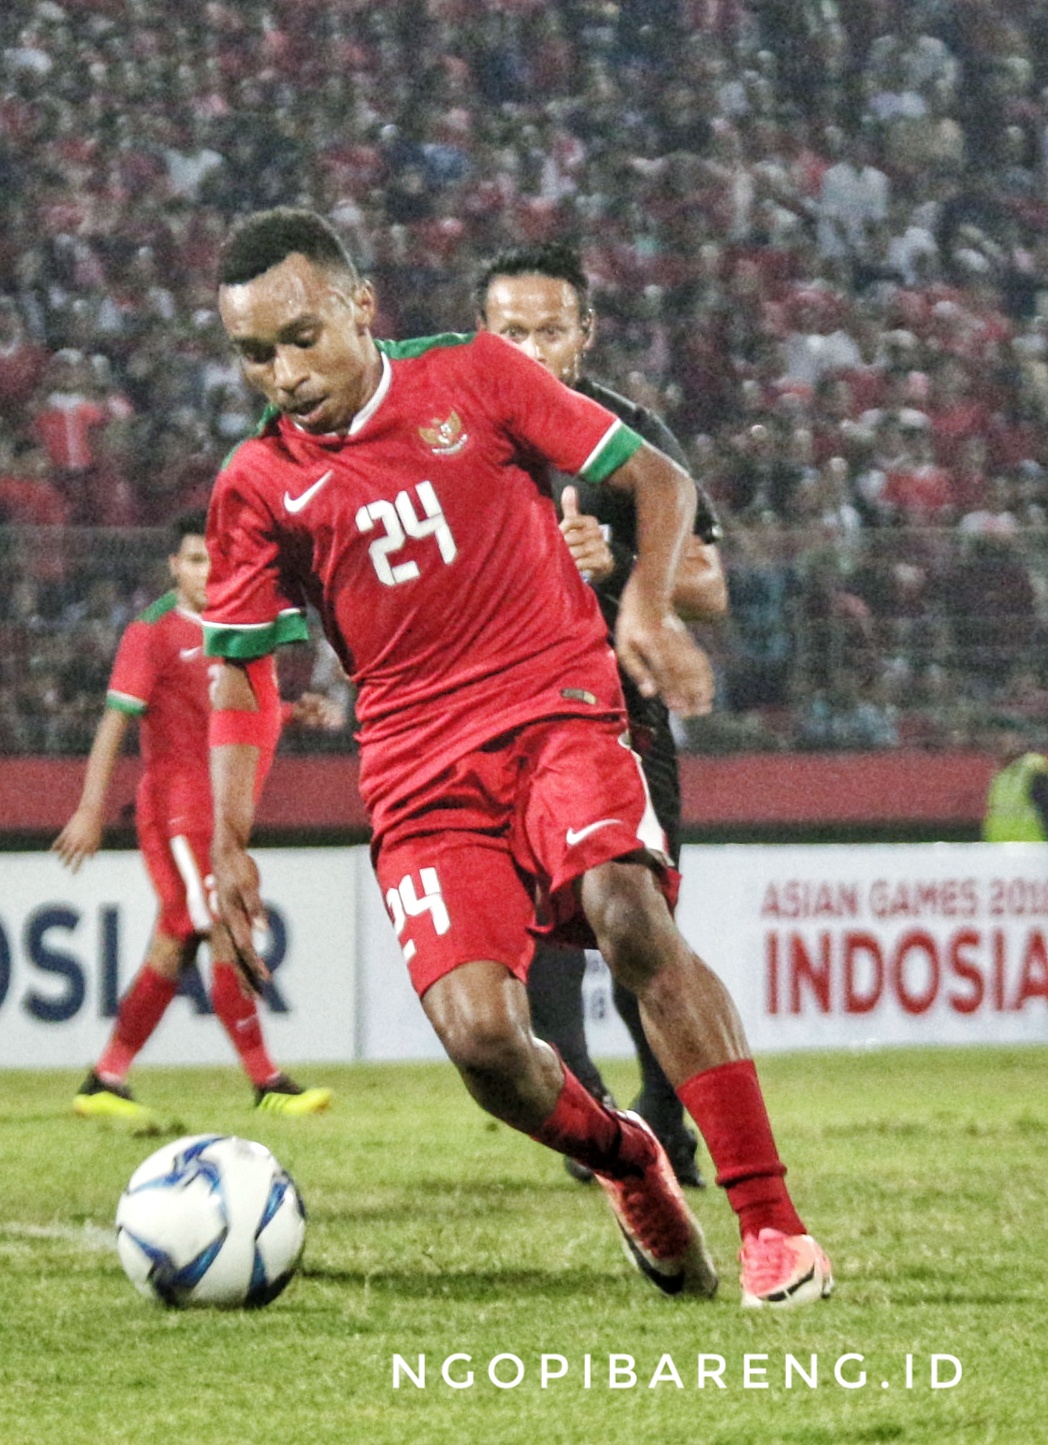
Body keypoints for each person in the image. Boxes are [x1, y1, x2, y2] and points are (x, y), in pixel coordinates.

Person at [202, 208, 830, 1308]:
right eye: (255, 352)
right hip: (413, 771)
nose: (282, 371)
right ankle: (629, 1160)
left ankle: (772, 1224)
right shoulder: (256, 484)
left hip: (557, 709)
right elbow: (244, 671)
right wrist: (228, 841)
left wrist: (641, 606)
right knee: (486, 1041)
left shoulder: (472, 375)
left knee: (627, 910)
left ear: (360, 306)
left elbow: (660, 484)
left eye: (300, 336)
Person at [476, 242, 728, 1190]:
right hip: (496, 718)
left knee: (636, 928)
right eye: (511, 331)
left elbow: (710, 587)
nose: (531, 349)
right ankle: (591, 1125)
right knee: (533, 932)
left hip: (622, 719)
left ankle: (670, 1121)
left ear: (584, 336)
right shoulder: (452, 437)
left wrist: (619, 566)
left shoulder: (630, 436)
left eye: (549, 329)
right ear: (481, 336)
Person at [53, 511, 331, 1124]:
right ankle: (267, 1081)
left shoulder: (236, 629)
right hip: (179, 813)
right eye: (196, 561)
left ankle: (105, 1079)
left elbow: (226, 711)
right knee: (224, 930)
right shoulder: (152, 632)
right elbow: (114, 723)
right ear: (175, 567)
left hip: (221, 813)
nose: (207, 573)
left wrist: (287, 711)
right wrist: (91, 809)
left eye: (216, 560)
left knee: (176, 940)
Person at [981, 719, 1048, 841]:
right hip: (1000, 849)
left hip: (1030, 848)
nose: (999, 741)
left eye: (1005, 736)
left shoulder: (1034, 768)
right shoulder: (1001, 774)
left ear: (1022, 740)